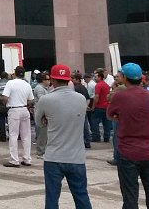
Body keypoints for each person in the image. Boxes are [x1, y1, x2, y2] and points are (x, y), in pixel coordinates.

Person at [106, 63, 149, 209]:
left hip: (128, 152)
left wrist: (121, 117)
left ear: (125, 77)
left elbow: (110, 114)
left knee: (130, 197)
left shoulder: (120, 96)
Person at [36, 64, 92, 209]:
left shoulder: (46, 100)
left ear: (53, 80)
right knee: (81, 196)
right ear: (68, 80)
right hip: (76, 157)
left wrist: (47, 119)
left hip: (54, 157)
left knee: (52, 199)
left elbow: (39, 123)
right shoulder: (80, 99)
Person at [2, 66, 34, 168]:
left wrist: (5, 104)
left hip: (14, 109)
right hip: (25, 109)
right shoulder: (27, 84)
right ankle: (27, 158)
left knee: (13, 135)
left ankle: (14, 160)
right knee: (26, 136)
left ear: (14, 73)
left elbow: (5, 97)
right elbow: (31, 100)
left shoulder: (10, 83)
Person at [91, 69, 112, 143]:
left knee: (94, 122)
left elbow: (96, 96)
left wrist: (93, 106)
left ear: (100, 77)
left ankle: (96, 137)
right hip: (106, 106)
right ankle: (107, 137)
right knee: (106, 123)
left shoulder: (98, 85)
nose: (94, 78)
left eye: (96, 77)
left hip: (99, 106)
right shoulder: (106, 85)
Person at [72, 73, 92, 149]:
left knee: (79, 126)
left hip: (78, 109)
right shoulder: (83, 87)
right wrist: (85, 106)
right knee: (85, 125)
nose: (71, 80)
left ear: (77, 79)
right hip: (83, 109)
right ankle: (87, 141)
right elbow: (88, 98)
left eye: (73, 78)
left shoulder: (76, 88)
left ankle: (83, 141)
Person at [33, 72, 50, 157]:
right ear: (43, 80)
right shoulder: (40, 88)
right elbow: (41, 100)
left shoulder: (44, 88)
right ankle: (40, 151)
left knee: (44, 133)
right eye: (48, 79)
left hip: (44, 112)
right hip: (41, 113)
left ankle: (43, 150)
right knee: (41, 133)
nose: (49, 81)